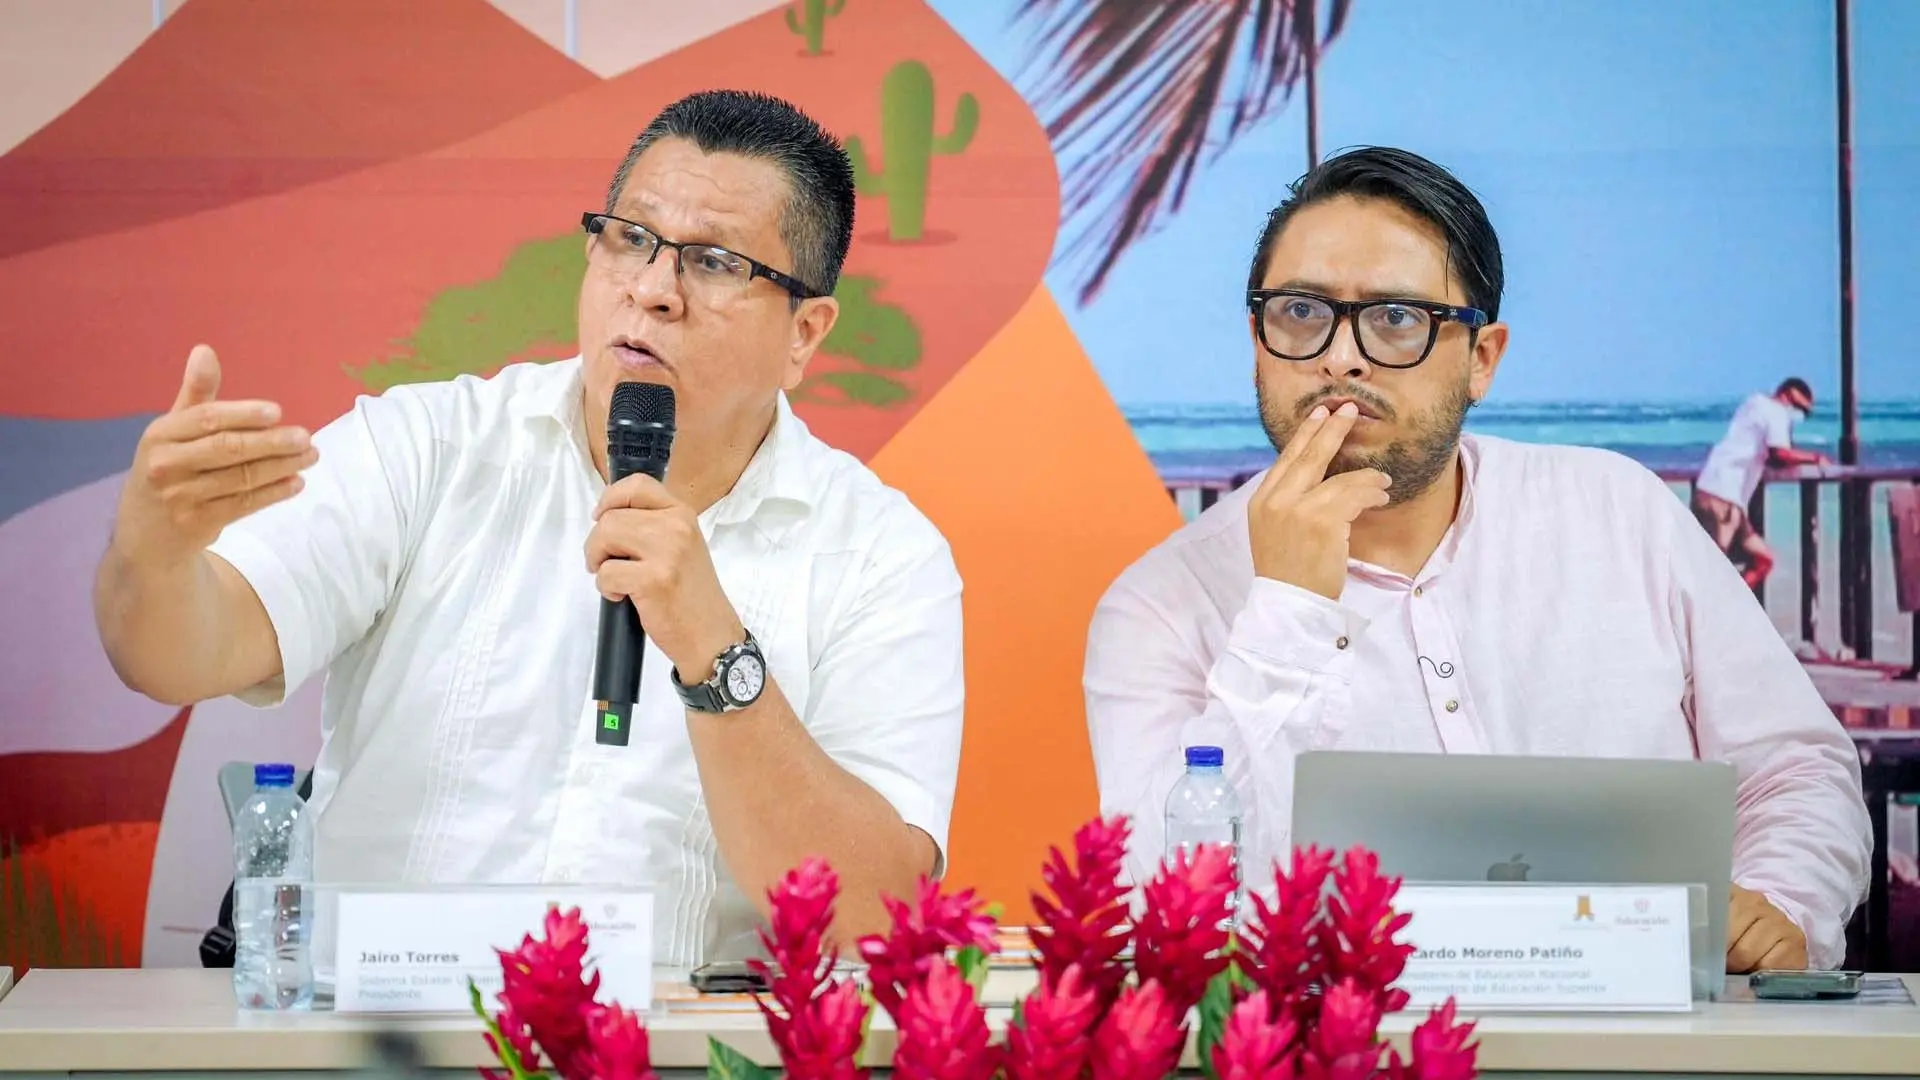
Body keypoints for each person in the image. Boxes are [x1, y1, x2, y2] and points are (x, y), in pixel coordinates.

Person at [93, 90, 966, 964]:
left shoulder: (883, 557)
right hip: (382, 1031)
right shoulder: (428, 448)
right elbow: (173, 656)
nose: (652, 290)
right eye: (632, 238)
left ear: (804, 333)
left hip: (673, 1037)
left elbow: (879, 918)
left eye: (712, 262)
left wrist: (717, 656)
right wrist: (152, 554)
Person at [1082, 146, 1871, 972]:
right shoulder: (1161, 605)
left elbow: (1797, 769)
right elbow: (1162, 915)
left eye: (1397, 318)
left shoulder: (1620, 513)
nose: (1340, 356)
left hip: (1661, 1026)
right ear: (1257, 338)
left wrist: (1780, 905)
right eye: (1302, 312)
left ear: (1482, 359)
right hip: (1352, 1039)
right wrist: (1286, 616)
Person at [1693, 378, 1831, 588]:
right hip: (1723, 498)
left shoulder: (1754, 403)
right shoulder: (1777, 412)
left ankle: (1730, 601)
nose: (1799, 416)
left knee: (1763, 560)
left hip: (1716, 491)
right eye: (1801, 410)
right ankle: (1709, 606)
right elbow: (1780, 452)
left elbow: (1765, 451)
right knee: (1712, 571)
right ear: (1790, 394)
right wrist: (1816, 458)